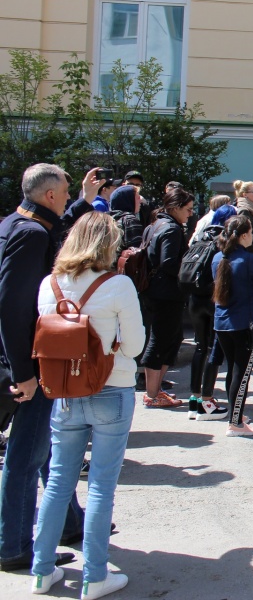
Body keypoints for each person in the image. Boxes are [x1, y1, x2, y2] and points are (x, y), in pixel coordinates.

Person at [30, 212, 145, 598]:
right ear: (107, 244)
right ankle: (95, 575)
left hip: (63, 391)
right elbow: (134, 346)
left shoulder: (49, 285)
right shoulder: (118, 285)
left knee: (58, 482)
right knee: (101, 486)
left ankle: (42, 570)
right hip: (111, 389)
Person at [0, 164, 101, 574]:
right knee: (28, 454)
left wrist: (82, 199)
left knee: (45, 448)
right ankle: (12, 546)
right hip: (29, 363)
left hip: (25, 358)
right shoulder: (31, 235)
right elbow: (11, 304)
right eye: (63, 193)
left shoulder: (17, 222)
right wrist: (22, 371)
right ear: (49, 196)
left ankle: (68, 524)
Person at [211, 215, 253, 437]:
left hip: (222, 322)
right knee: (242, 373)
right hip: (245, 323)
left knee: (234, 370)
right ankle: (235, 423)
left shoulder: (218, 257)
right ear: (245, 235)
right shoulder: (250, 260)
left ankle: (235, 415)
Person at [141, 186, 194, 408]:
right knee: (161, 340)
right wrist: (190, 270)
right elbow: (169, 263)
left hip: (156, 291)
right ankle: (152, 394)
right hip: (166, 293)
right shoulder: (171, 229)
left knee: (170, 339)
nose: (190, 213)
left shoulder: (155, 225)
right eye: (188, 209)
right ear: (174, 207)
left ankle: (156, 389)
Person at [187, 204, 237, 421]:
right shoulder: (223, 242)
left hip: (194, 299)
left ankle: (194, 400)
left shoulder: (200, 237)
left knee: (200, 347)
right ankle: (207, 401)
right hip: (212, 300)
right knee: (215, 350)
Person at [107, 184, 143, 253]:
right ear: (128, 200)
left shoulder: (107, 219)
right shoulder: (130, 220)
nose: (140, 200)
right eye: (137, 197)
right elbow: (136, 253)